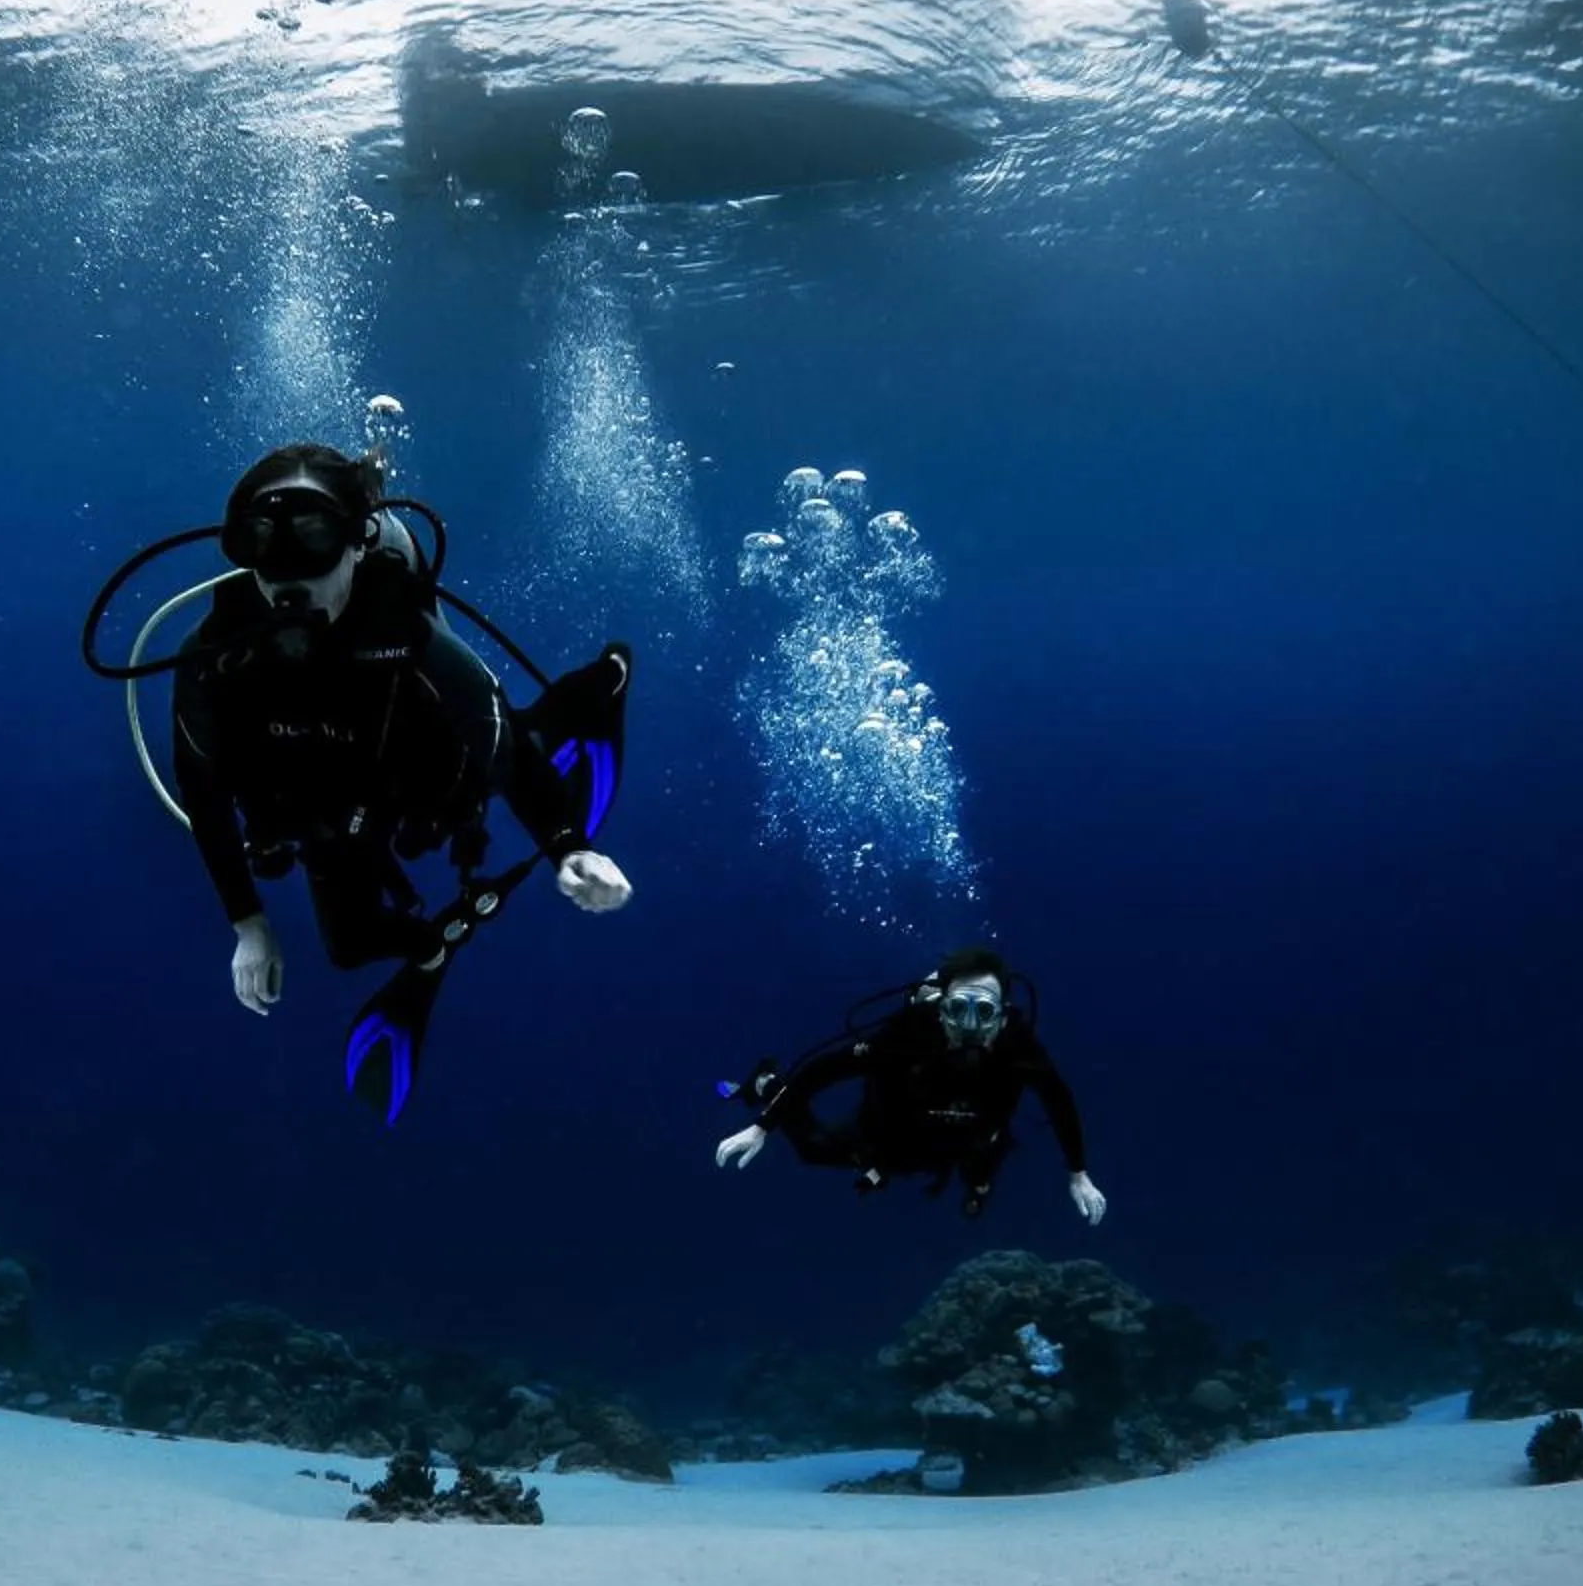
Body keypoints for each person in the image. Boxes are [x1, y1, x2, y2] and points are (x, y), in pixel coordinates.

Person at [165, 443, 634, 1119]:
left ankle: (604, 680)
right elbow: (201, 791)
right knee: (349, 948)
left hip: (430, 780)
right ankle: (438, 939)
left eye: (316, 539)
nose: (287, 575)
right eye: (264, 544)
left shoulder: (403, 630)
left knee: (517, 739)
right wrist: (248, 924)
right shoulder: (218, 651)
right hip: (334, 813)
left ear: (358, 544)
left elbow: (495, 735)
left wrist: (569, 846)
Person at [714, 946, 1107, 1224]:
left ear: (1003, 1017)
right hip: (889, 1140)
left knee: (984, 1165)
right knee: (811, 1150)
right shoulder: (906, 1036)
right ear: (940, 1010)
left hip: (969, 1140)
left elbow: (1059, 1099)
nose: (970, 1026)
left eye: (985, 1011)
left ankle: (976, 1188)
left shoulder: (1019, 1049)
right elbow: (823, 1071)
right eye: (958, 1009)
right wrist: (762, 1126)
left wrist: (1078, 1173)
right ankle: (767, 1083)